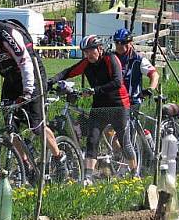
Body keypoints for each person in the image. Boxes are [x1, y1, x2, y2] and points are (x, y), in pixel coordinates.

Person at [0, 0, 69, 177]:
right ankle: (27, 168)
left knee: (37, 126)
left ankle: (59, 158)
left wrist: (28, 91)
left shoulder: (5, 32)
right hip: (10, 81)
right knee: (11, 128)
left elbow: (24, 61)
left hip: (33, 76)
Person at [50, 35, 137, 183]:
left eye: (91, 51)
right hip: (99, 106)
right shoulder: (86, 63)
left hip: (118, 105)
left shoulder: (111, 59)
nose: (88, 55)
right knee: (92, 139)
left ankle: (135, 173)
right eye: (85, 52)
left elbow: (117, 82)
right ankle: (88, 178)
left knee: (124, 141)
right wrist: (50, 81)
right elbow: (68, 72)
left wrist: (94, 90)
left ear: (100, 49)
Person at [112, 28, 160, 107]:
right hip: (114, 101)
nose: (120, 45)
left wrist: (150, 88)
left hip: (133, 102)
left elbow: (154, 75)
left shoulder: (138, 59)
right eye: (117, 42)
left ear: (130, 43)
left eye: (124, 42)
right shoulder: (111, 58)